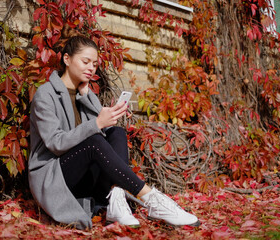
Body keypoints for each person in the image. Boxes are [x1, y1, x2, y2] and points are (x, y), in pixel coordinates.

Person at [28, 35, 200, 230]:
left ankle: (116, 197)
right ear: (67, 59)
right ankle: (153, 200)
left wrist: (87, 98)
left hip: (85, 175)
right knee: (93, 140)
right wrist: (97, 122)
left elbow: (103, 132)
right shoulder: (45, 95)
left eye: (94, 63)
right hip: (56, 176)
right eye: (85, 61)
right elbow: (55, 143)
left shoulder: (83, 93)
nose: (91, 68)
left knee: (116, 132)